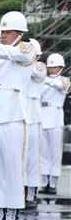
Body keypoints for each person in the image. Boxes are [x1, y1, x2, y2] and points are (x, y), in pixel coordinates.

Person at [0, 11, 37, 220]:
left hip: (14, 115)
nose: (4, 35)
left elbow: (14, 55)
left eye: (9, 31)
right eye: (2, 31)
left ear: (19, 33)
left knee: (13, 168)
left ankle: (12, 215)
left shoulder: (27, 48)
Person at [40, 54, 69, 194]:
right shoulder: (42, 80)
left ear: (61, 68)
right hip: (43, 117)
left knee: (55, 154)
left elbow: (60, 86)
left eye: (55, 67)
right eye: (50, 67)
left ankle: (53, 184)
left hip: (56, 119)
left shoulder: (64, 80)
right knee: (43, 154)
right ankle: (44, 183)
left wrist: (43, 79)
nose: (52, 69)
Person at [25, 42, 47, 209]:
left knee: (33, 159)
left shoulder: (39, 66)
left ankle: (31, 194)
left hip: (34, 115)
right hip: (19, 111)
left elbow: (37, 74)